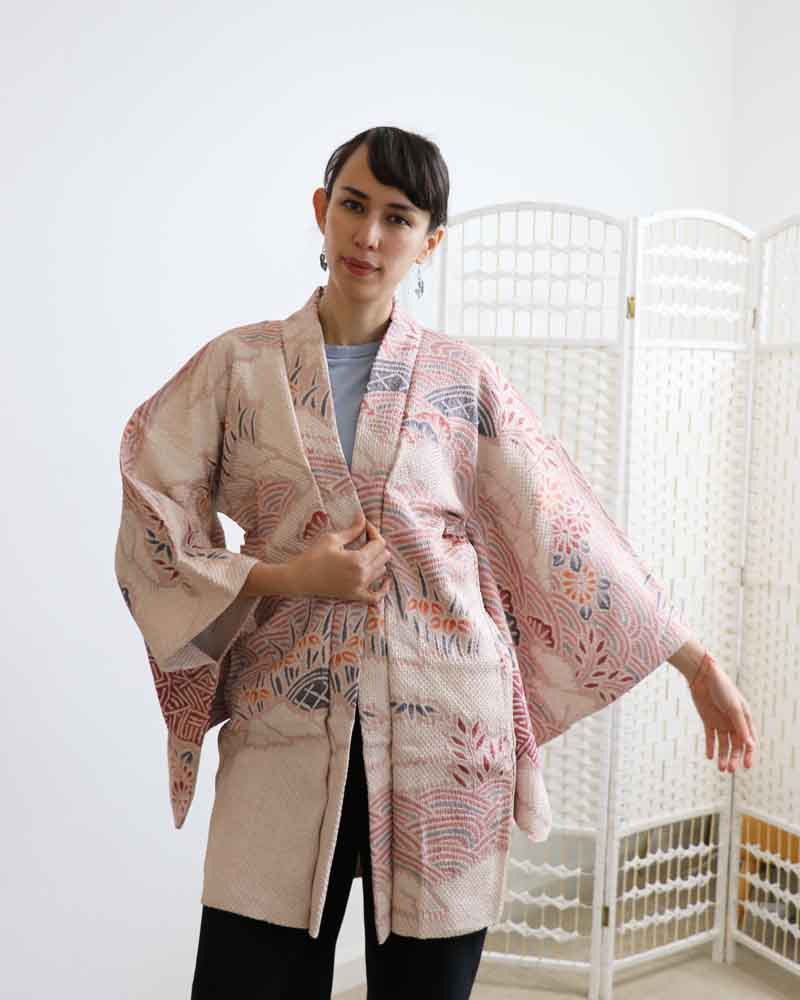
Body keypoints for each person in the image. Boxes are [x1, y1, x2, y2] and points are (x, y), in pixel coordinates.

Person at [114, 126, 757, 1000]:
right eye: (352, 205)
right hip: (285, 728)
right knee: (245, 978)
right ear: (321, 208)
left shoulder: (461, 379)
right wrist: (285, 578)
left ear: (430, 242)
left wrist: (695, 659)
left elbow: (559, 531)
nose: (368, 236)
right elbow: (155, 506)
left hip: (446, 735)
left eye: (397, 217)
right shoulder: (238, 366)